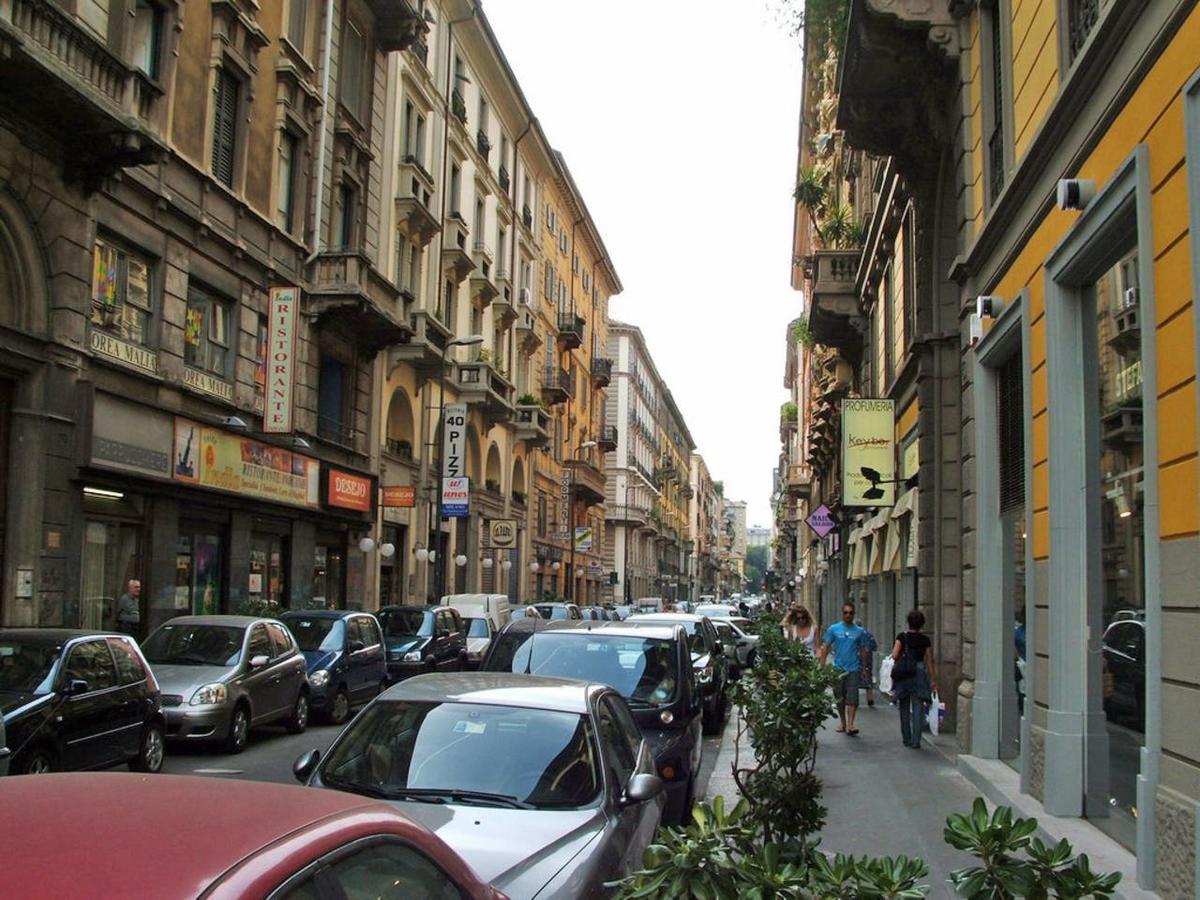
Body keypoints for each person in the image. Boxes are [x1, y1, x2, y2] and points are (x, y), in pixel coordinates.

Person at [890, 609, 938, 749]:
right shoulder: (925, 640)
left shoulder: (902, 637)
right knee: (918, 707)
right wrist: (933, 680)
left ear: (908, 622)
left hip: (904, 673)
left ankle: (906, 738)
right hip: (919, 672)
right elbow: (929, 661)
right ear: (922, 624)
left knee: (904, 706)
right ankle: (916, 740)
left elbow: (894, 655)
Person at [820, 603, 868, 735]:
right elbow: (826, 646)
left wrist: (864, 667)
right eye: (846, 612)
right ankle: (843, 722)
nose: (848, 615)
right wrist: (822, 665)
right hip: (838, 670)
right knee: (840, 698)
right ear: (842, 614)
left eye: (851, 613)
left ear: (854, 614)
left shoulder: (859, 631)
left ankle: (851, 725)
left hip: (853, 669)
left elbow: (863, 650)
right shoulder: (834, 629)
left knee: (852, 698)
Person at [856, 619, 879, 707]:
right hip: (868, 661)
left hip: (856, 660)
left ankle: (855, 700)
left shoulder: (853, 635)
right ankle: (870, 699)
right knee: (868, 677)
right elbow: (874, 647)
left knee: (855, 680)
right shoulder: (868, 635)